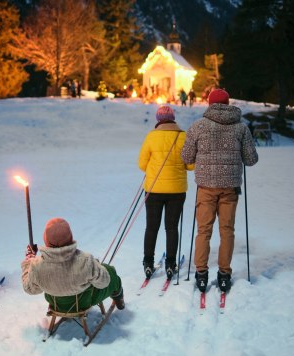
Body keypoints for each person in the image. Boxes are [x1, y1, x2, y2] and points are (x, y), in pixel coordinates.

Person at [181, 89, 258, 293]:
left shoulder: (198, 126)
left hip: (205, 187)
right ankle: (224, 275)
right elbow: (251, 159)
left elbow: (187, 157)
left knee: (203, 231)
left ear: (209, 104)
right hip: (230, 188)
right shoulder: (241, 128)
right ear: (228, 103)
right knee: (227, 231)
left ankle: (201, 274)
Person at [21, 217, 125, 312]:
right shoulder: (85, 260)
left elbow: (30, 289)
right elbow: (103, 282)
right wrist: (96, 266)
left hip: (56, 304)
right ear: (70, 237)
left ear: (46, 239)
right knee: (110, 271)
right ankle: (118, 297)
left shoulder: (36, 266)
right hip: (83, 302)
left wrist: (28, 263)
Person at [138, 106, 194, 280]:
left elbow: (141, 164)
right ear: (173, 118)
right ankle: (171, 264)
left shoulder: (151, 136)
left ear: (158, 120)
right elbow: (190, 165)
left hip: (153, 189)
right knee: (171, 227)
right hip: (176, 191)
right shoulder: (183, 136)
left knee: (151, 227)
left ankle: (148, 262)